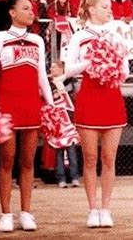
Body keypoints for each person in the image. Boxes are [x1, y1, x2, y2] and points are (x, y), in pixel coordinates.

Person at [0, 0, 54, 232]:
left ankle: (26, 212)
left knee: (27, 160)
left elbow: (41, 75)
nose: (31, 12)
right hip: (6, 105)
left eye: (32, 9)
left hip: (31, 104)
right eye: (25, 8)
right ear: (12, 13)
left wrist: (51, 104)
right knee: (6, 160)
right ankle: (5, 213)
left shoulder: (37, 40)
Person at [65, 0, 129, 228]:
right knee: (90, 158)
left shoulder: (116, 35)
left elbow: (126, 70)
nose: (109, 10)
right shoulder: (79, 37)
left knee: (109, 158)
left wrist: (111, 63)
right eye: (104, 6)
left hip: (112, 95)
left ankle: (106, 208)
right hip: (89, 96)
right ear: (91, 10)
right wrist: (93, 61)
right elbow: (70, 68)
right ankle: (92, 209)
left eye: (109, 6)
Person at [49, 60, 80, 188]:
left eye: (54, 67)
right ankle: (61, 178)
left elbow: (73, 93)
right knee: (59, 151)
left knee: (71, 150)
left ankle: (74, 177)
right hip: (57, 121)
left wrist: (60, 86)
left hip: (69, 120)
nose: (51, 70)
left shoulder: (71, 81)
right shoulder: (49, 84)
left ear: (61, 69)